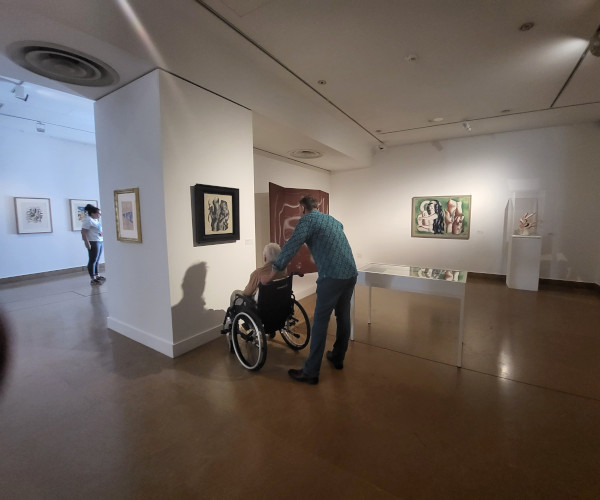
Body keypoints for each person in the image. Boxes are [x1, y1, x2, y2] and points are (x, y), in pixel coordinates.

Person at [271, 196, 357, 385]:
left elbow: (291, 246)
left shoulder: (307, 220)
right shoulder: (332, 220)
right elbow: (339, 230)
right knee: (343, 315)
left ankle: (311, 372)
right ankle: (338, 357)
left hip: (332, 276)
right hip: (351, 273)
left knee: (320, 322)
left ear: (302, 208)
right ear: (316, 206)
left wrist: (274, 270)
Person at [81, 204, 105, 285]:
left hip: (99, 240)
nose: (99, 215)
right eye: (98, 213)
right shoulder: (88, 220)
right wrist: (87, 242)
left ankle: (97, 275)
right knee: (93, 260)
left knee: (97, 259)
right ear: (92, 213)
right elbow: (83, 232)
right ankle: (93, 278)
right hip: (93, 241)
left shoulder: (96, 220)